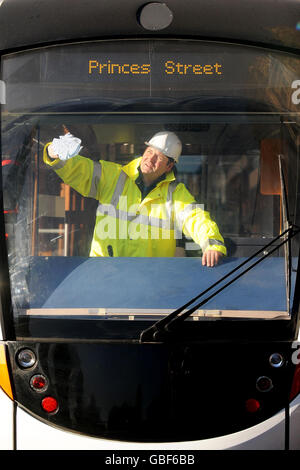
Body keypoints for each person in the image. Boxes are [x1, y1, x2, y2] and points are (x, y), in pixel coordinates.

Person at [43, 131, 226, 266]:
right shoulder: (112, 176)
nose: (150, 159)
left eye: (159, 158)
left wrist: (211, 244)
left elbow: (196, 218)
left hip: (152, 282)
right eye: (150, 152)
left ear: (169, 166)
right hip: (104, 275)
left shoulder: (176, 194)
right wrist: (54, 153)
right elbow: (78, 170)